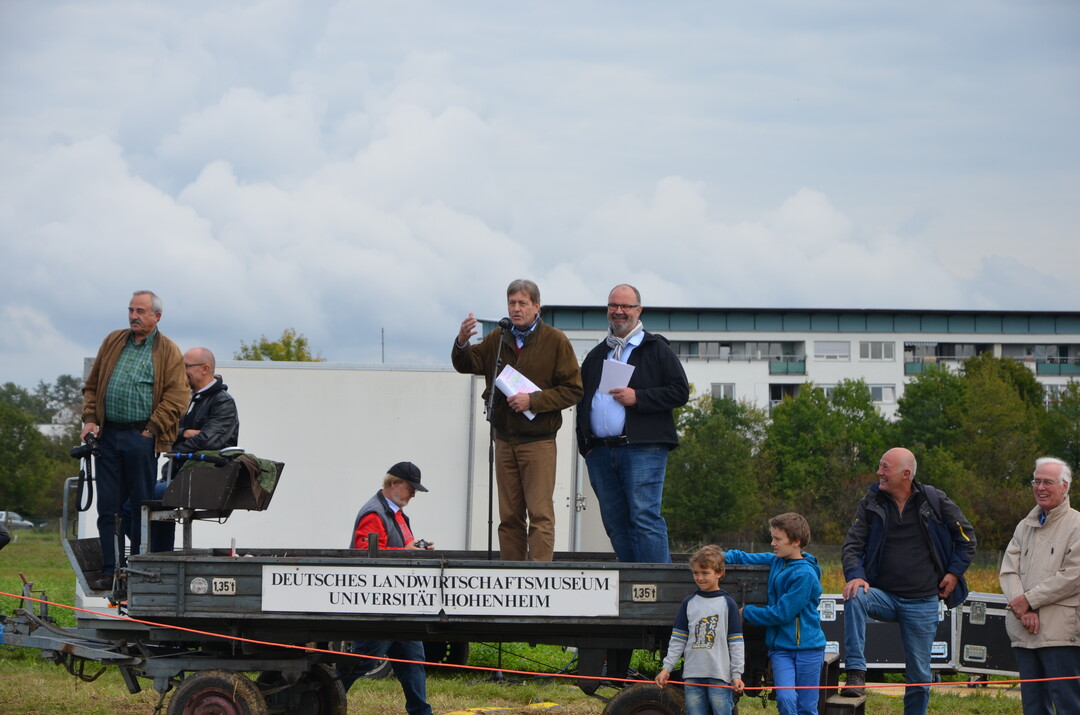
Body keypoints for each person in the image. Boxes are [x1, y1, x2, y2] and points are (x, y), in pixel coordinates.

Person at [452, 279, 583, 562]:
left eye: (523, 303)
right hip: (503, 439)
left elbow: (574, 390)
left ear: (537, 306)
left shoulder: (555, 340)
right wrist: (462, 342)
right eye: (512, 303)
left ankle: (538, 579)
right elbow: (466, 364)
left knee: (539, 514)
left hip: (538, 442)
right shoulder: (498, 338)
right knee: (509, 516)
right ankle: (511, 576)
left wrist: (533, 401)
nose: (516, 309)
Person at [839, 447, 976, 714]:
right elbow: (852, 547)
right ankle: (856, 673)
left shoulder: (935, 500)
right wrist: (856, 576)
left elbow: (967, 539)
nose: (878, 472)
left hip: (923, 601)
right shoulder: (871, 502)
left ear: (906, 474)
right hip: (884, 596)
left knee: (920, 678)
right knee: (854, 594)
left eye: (884, 467)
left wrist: (953, 573)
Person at [79, 291, 188, 590]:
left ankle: (138, 571)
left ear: (157, 316)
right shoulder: (114, 340)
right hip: (109, 433)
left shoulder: (168, 350)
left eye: (140, 311)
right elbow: (91, 386)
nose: (133, 316)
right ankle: (110, 570)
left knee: (141, 506)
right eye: (130, 310)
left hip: (141, 436)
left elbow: (178, 397)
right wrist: (91, 419)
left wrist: (151, 431)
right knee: (107, 507)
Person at [575, 284, 689, 563]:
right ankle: (631, 585)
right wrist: (586, 447)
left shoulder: (656, 349)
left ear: (639, 310)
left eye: (626, 306)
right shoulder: (597, 354)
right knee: (615, 523)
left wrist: (639, 397)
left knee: (644, 517)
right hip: (600, 452)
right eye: (613, 306)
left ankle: (657, 590)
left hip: (643, 448)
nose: (619, 311)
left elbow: (680, 391)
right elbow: (582, 400)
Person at [340, 462, 435, 715]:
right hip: (380, 603)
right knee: (363, 661)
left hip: (399, 603)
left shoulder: (396, 513)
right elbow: (365, 553)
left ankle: (421, 712)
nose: (413, 494)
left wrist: (417, 549)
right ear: (393, 484)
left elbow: (403, 545)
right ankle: (323, 696)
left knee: (413, 663)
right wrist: (406, 552)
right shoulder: (374, 513)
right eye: (410, 488)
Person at [999, 457, 1080, 714]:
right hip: (1024, 631)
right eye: (1037, 481)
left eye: (1048, 482)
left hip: (1060, 633)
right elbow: (1009, 571)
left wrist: (1029, 600)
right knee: (1033, 706)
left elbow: (1073, 576)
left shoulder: (1077, 525)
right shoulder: (1024, 526)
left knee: (1068, 703)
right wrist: (1023, 609)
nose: (1040, 487)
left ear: (1065, 487)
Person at [724, 513, 825, 715]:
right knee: (786, 699)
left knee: (806, 707)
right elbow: (744, 557)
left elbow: (782, 613)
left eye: (778, 539)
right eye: (772, 538)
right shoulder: (777, 561)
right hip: (780, 650)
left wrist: (747, 612)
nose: (772, 543)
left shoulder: (804, 575)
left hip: (808, 650)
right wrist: (718, 557)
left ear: (796, 541)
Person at [149, 347, 240, 551]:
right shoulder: (188, 399)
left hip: (202, 478)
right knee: (132, 501)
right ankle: (157, 554)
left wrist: (180, 437)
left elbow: (208, 441)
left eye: (186, 366)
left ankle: (158, 556)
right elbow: (165, 435)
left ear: (205, 369)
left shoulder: (223, 403)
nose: (182, 372)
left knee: (152, 493)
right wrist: (186, 432)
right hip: (181, 476)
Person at [655, 544, 745, 715]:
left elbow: (736, 643)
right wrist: (666, 668)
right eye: (696, 573)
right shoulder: (688, 603)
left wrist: (737, 674)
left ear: (719, 573)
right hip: (692, 675)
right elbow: (678, 640)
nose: (700, 577)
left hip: (720, 675)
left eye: (705, 573)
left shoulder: (728, 604)